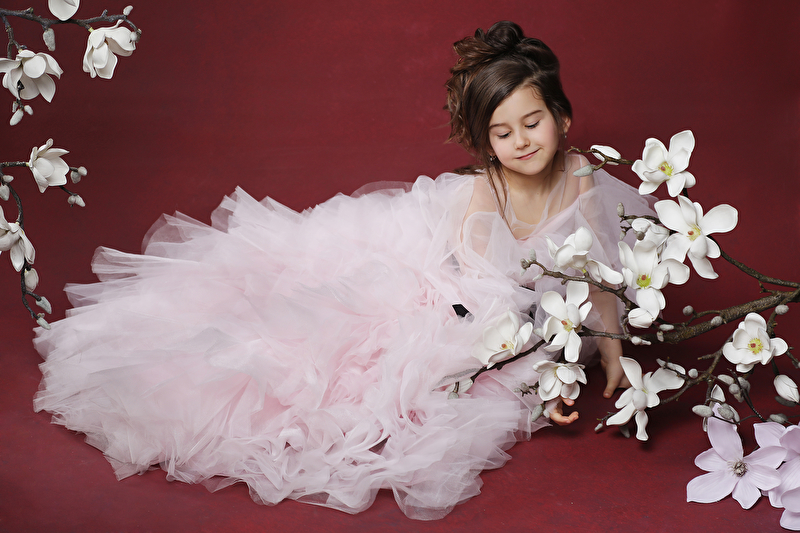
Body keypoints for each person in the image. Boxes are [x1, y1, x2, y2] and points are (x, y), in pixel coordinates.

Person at [33, 21, 652, 520]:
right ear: (485, 144)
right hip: (445, 272)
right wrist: (533, 373)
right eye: (502, 133)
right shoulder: (486, 190)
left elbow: (598, 269)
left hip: (503, 293)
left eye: (532, 123)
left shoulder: (582, 176)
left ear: (562, 117)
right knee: (331, 330)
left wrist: (610, 355)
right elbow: (474, 294)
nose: (521, 142)